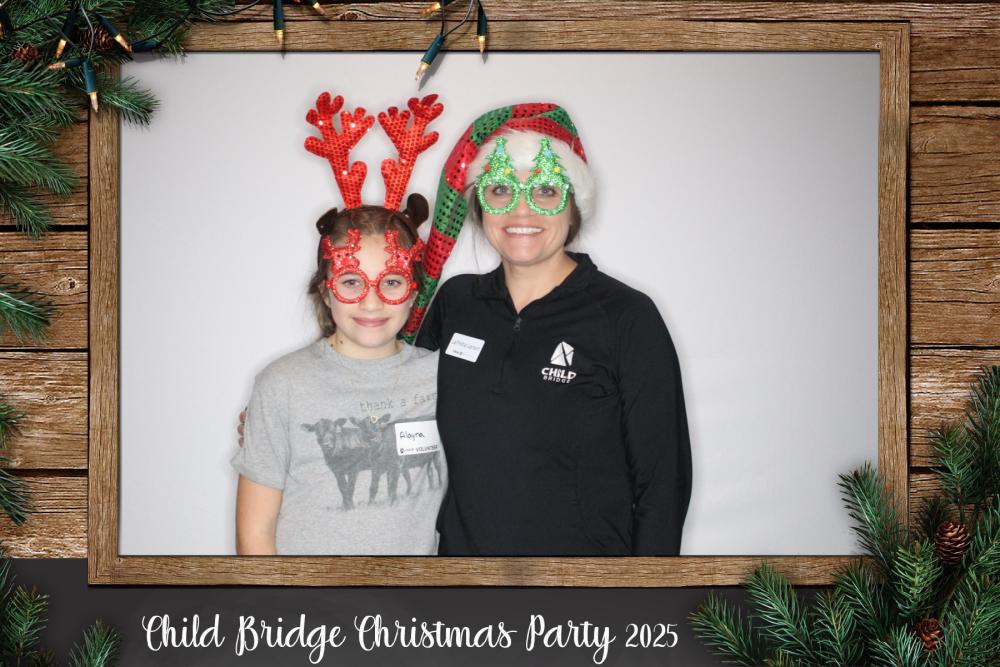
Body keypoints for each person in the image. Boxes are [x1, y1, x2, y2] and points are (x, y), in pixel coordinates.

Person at [415, 102, 693, 556]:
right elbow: (401, 414)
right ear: (480, 206)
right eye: (501, 189)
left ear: (574, 208)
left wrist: (645, 590)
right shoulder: (457, 303)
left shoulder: (626, 316)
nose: (521, 210)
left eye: (545, 191)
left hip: (582, 587)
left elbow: (664, 480)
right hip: (462, 581)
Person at [232, 92, 448, 555]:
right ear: (326, 290)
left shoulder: (444, 377)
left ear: (414, 290)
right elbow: (255, 534)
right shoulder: (282, 384)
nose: (371, 301)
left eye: (391, 281)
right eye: (352, 282)